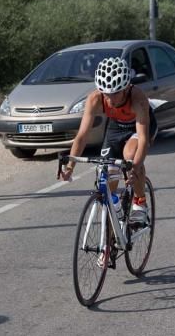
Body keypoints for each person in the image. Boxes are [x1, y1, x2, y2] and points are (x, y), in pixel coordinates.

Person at [59, 56, 157, 224]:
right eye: (106, 93)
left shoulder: (138, 98)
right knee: (108, 170)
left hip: (138, 126)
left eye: (115, 93)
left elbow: (142, 139)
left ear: (126, 88)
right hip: (116, 126)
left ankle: (140, 202)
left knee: (130, 155)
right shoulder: (95, 98)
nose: (110, 99)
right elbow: (82, 136)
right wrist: (70, 166)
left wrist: (134, 168)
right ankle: (112, 224)